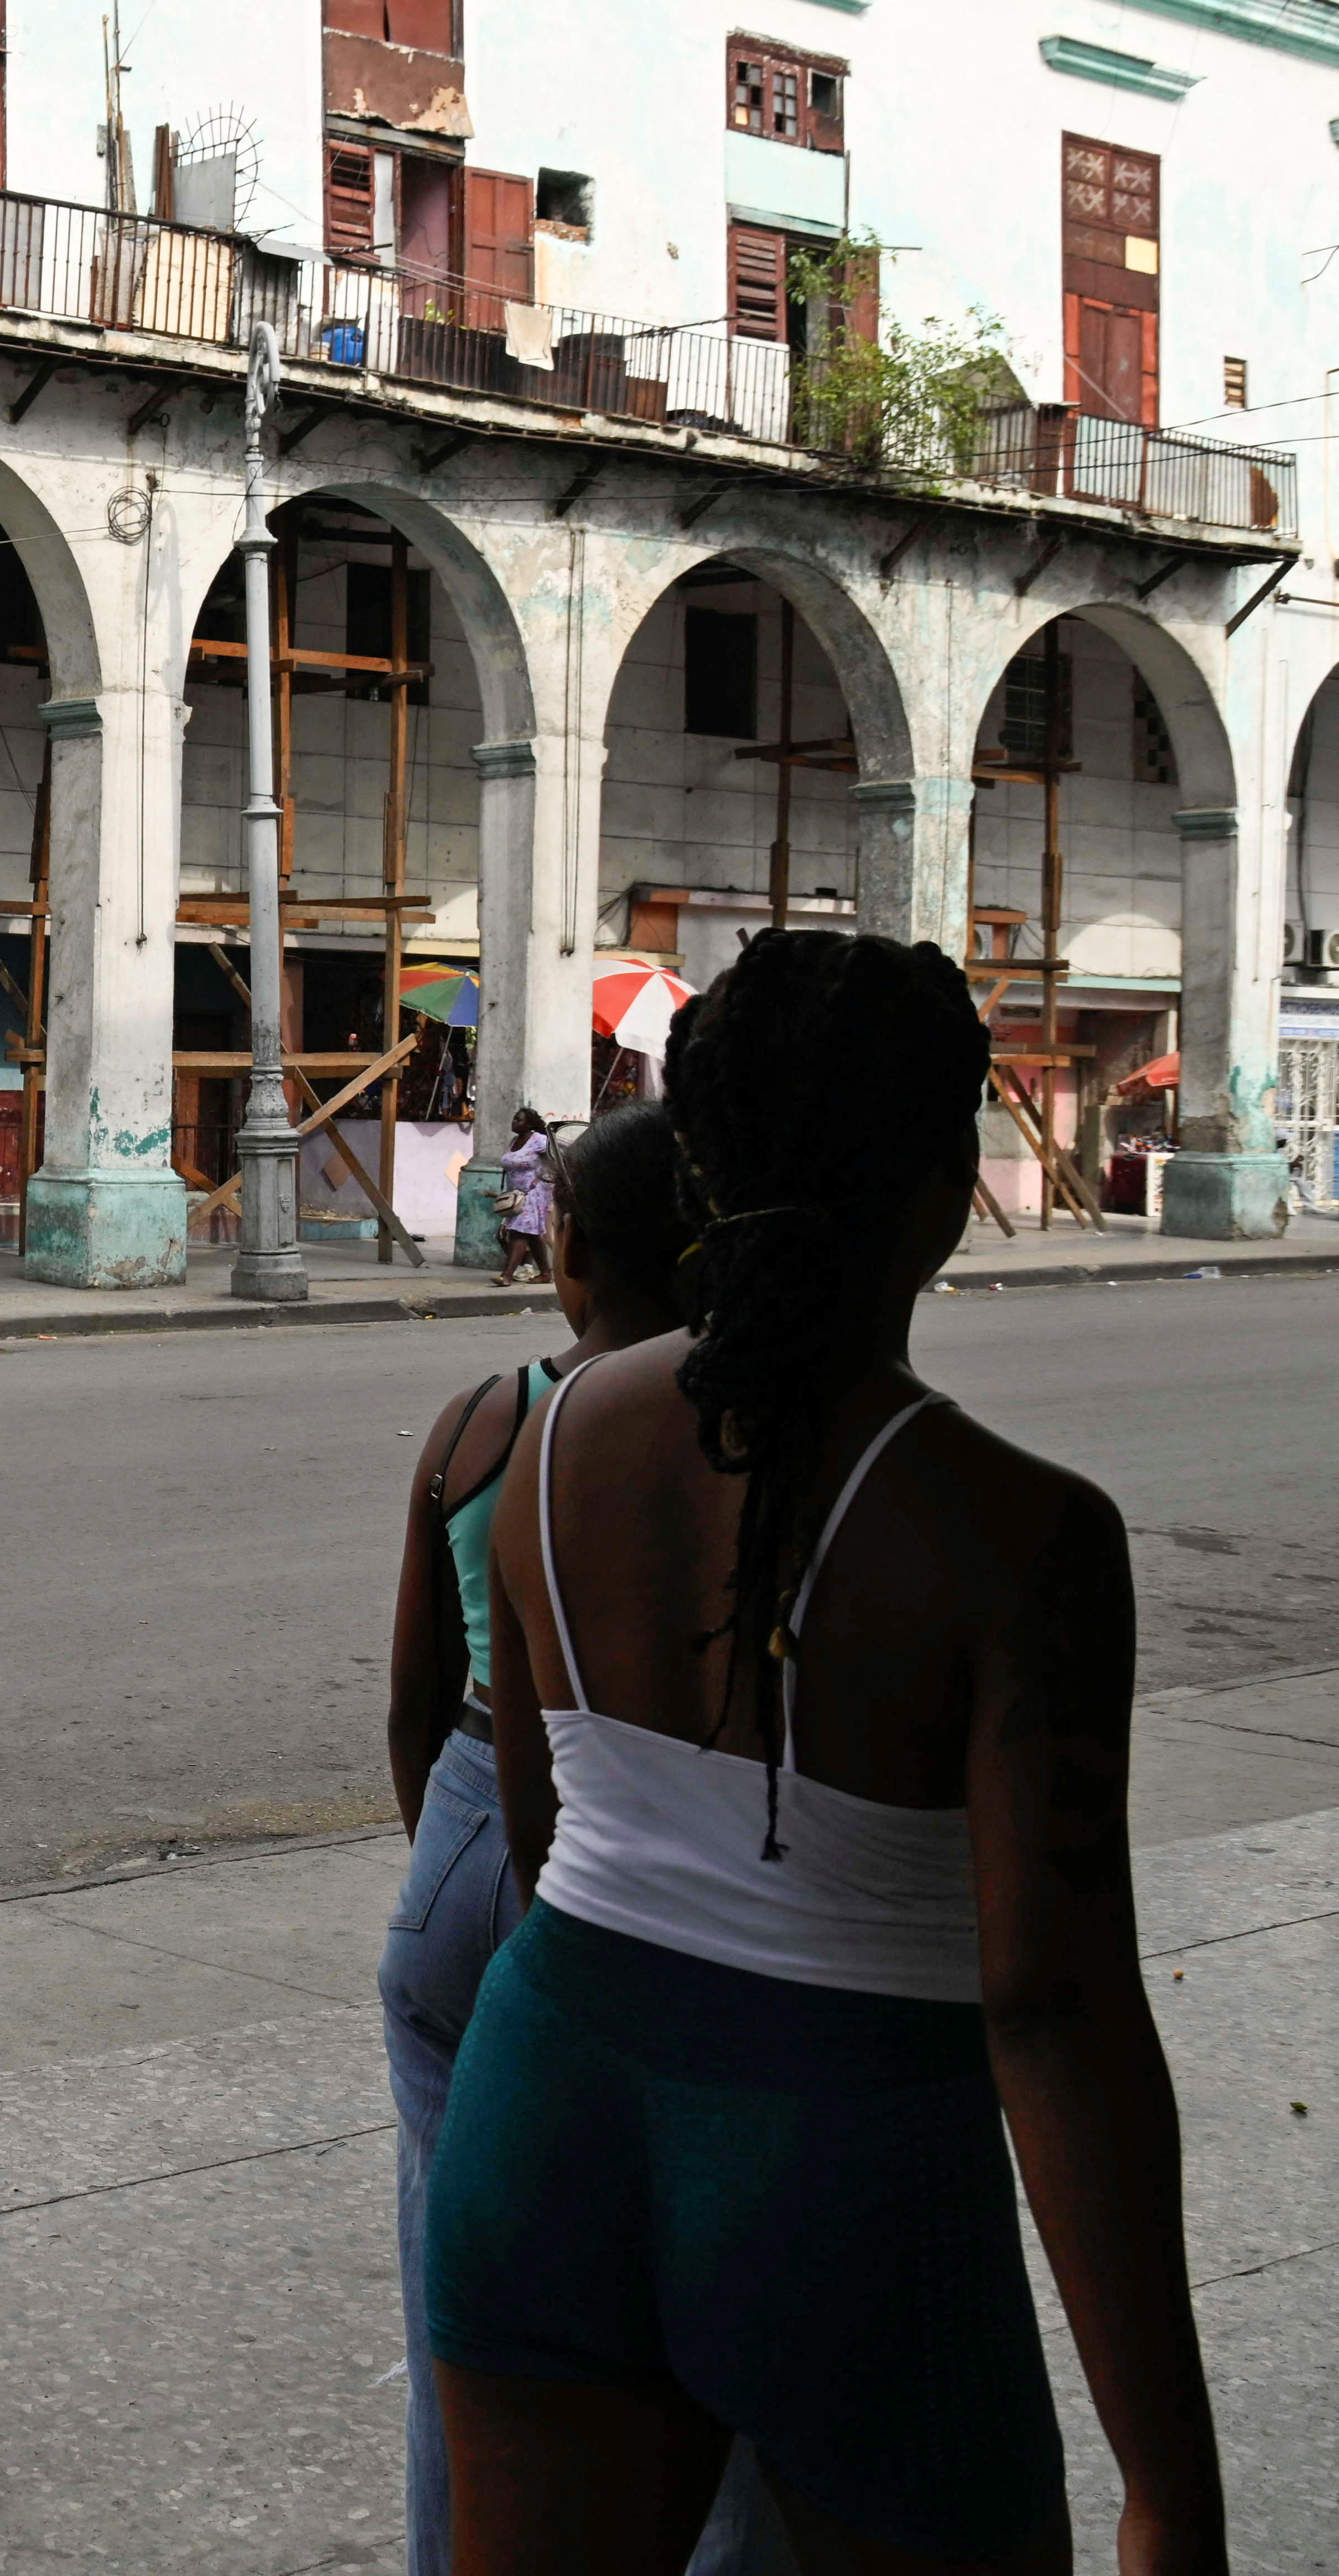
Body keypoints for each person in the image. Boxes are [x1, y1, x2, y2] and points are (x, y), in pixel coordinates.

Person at [434, 930, 1224, 2572]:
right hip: (846, 2164)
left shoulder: (551, 1436)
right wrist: (1168, 2476)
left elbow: (532, 1821)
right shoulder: (1021, 1533)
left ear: (702, 1171)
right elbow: (1050, 2007)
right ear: (945, 1188)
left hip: (546, 2099)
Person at [378, 1104, 788, 2576]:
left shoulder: (484, 1421)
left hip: (472, 1832)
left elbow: (415, 1704)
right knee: (722, 2298)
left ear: (565, 1259)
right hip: (656, 1858)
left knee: (459, 2310)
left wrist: (458, 1854)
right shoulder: (755, 1430)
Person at [491, 1108, 554, 1288]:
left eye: (518, 1120)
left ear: (529, 1124)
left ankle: (507, 1276)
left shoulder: (539, 1140)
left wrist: (543, 1177)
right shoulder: (514, 1142)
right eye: (514, 1119)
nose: (514, 1122)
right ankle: (545, 1273)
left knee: (519, 1232)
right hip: (517, 1196)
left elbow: (555, 1158)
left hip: (535, 1194)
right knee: (532, 1235)